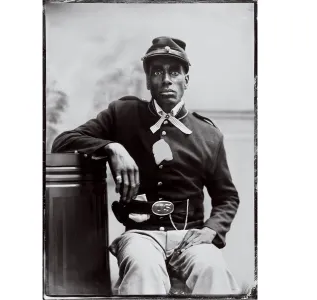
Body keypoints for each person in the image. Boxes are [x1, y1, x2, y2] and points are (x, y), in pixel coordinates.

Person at [51, 36, 240, 295]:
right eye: (157, 72)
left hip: (190, 237)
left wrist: (212, 229)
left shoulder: (208, 134)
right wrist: (111, 147)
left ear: (186, 79)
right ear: (148, 81)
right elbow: (63, 141)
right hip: (141, 234)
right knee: (142, 268)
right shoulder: (123, 114)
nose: (166, 79)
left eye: (174, 72)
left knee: (213, 269)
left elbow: (227, 197)